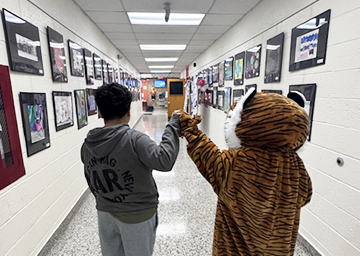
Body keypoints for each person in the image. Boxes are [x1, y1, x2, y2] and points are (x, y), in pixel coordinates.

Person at [179, 88, 312, 256]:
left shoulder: (237, 162)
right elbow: (305, 196)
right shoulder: (295, 165)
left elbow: (207, 157)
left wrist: (189, 128)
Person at [81, 83, 180, 256]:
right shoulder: (135, 139)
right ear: (128, 111)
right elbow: (164, 160)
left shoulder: (88, 144)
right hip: (137, 215)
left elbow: (90, 175)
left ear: (100, 112)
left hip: (105, 212)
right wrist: (172, 126)